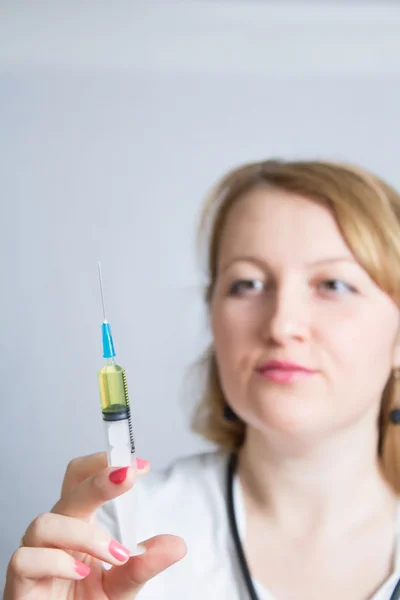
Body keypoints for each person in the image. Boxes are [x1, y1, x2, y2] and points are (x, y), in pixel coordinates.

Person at [4, 158, 400, 600]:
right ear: (213, 317)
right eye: (247, 283)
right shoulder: (120, 537)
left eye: (333, 284)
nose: (282, 324)